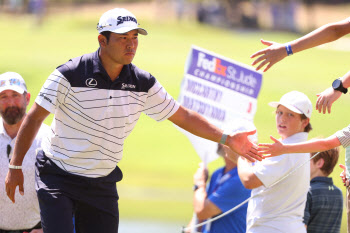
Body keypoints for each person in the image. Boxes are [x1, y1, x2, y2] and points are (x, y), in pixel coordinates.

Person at [4, 8, 262, 233]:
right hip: (59, 175)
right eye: (123, 38)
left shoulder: (142, 83)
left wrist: (227, 138)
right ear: (102, 40)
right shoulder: (69, 75)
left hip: (101, 181)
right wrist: (15, 167)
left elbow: (182, 116)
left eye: (135, 37)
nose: (131, 44)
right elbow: (34, 117)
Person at [236, 90, 312, 233]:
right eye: (279, 112)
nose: (282, 119)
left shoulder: (286, 151)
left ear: (305, 121)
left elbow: (249, 180)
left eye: (290, 114)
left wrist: (241, 155)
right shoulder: (295, 148)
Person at [186, 120, 256, 233]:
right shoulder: (218, 174)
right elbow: (200, 218)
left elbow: (203, 211)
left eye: (225, 139)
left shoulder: (241, 180)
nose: (219, 142)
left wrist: (199, 184)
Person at [0, 72, 48, 233]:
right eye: (3, 97)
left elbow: (67, 189)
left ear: (27, 98)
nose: (10, 102)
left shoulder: (47, 137)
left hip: (35, 229)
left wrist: (49, 229)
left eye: (15, 95)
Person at [304, 147, 343, 233]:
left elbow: (301, 227)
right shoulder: (338, 192)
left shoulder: (307, 192)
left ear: (319, 163)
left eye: (307, 159)